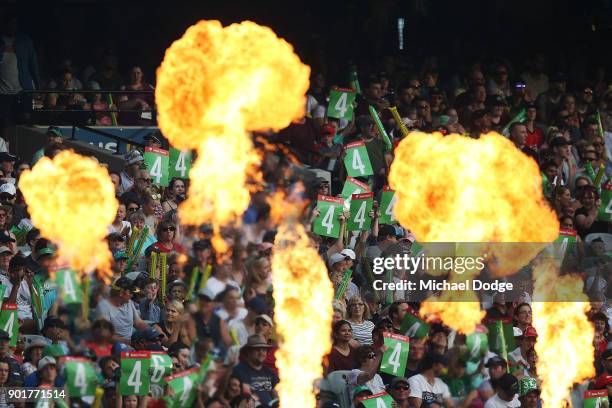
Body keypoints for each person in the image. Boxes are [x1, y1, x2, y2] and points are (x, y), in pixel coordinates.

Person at [94, 277, 148, 342]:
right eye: (130, 292)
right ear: (121, 292)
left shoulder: (128, 302)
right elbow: (105, 335)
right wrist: (129, 343)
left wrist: (152, 332)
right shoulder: (103, 307)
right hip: (114, 345)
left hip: (130, 342)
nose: (132, 295)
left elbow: (138, 323)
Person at [232, 334, 279, 406]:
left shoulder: (269, 372)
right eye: (257, 349)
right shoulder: (239, 371)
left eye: (264, 350)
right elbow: (244, 395)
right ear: (248, 352)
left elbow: (276, 392)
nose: (261, 353)